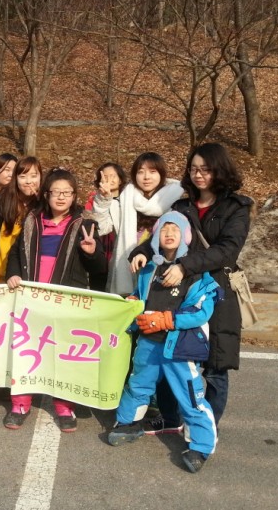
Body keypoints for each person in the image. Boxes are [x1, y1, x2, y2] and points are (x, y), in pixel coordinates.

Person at [130, 142, 253, 432]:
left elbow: (227, 250)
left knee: (215, 366)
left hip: (217, 291)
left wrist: (185, 266)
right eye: (194, 169)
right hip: (178, 294)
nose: (198, 175)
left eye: (206, 169)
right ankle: (171, 418)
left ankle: (205, 427)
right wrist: (142, 252)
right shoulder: (182, 207)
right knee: (170, 355)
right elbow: (163, 235)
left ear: (219, 170)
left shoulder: (236, 207)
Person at [107, 211, 219, 474]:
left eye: (175, 229)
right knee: (138, 383)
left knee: (190, 395)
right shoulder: (149, 268)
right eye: (164, 229)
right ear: (156, 235)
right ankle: (128, 423)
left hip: (179, 346)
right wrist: (132, 305)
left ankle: (201, 446)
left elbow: (202, 309)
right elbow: (140, 297)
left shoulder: (195, 271)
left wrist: (167, 320)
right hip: (149, 342)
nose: (169, 234)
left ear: (185, 236)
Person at [4, 168, 106, 433]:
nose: (61, 197)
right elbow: (16, 253)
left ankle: (64, 406)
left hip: (66, 303)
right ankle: (20, 403)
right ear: (46, 194)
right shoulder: (32, 221)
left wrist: (92, 252)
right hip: (32, 301)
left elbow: (99, 269)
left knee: (63, 353)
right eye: (56, 192)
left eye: (67, 192)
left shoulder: (85, 224)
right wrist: (13, 273)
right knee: (26, 349)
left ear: (74, 195)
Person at [92, 152, 183, 296]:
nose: (146, 177)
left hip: (162, 274)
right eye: (141, 172)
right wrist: (103, 200)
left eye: (152, 171)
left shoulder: (175, 202)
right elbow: (103, 227)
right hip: (128, 272)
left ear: (161, 174)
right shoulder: (125, 200)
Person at [0, 156, 42, 285]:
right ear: (15, 179)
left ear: (41, 177)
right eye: (23, 176)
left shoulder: (44, 207)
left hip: (23, 279)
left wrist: (42, 202)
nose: (29, 181)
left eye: (34, 176)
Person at [84, 162, 128, 291]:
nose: (109, 180)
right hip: (102, 248)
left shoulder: (128, 201)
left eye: (113, 176)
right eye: (105, 176)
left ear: (120, 179)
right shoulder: (95, 200)